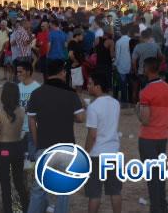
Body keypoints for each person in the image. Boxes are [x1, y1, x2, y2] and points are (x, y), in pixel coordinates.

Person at [26, 59, 85, 213]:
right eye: (64, 71)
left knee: (38, 188)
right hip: (65, 147)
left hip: (44, 145)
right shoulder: (70, 93)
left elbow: (31, 120)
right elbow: (80, 118)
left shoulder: (37, 93)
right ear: (61, 72)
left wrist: (37, 141)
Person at [137, 57, 168, 213]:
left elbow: (144, 120)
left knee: (152, 177)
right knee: (160, 175)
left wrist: (137, 110)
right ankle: (162, 206)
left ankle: (156, 208)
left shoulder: (146, 92)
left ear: (147, 69)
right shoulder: (167, 87)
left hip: (148, 137)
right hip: (163, 135)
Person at [84, 72, 122, 213]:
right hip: (113, 152)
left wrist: (85, 152)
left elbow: (92, 135)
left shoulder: (93, 107)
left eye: (90, 83)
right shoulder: (116, 103)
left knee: (94, 194)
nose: (88, 86)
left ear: (97, 86)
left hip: (97, 154)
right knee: (115, 191)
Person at [0, 82, 28, 213]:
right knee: (19, 181)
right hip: (18, 148)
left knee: (5, 183)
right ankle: (25, 207)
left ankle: (8, 209)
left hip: (4, 149)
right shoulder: (22, 111)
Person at [16, 60, 40, 161]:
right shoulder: (17, 87)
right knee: (19, 159)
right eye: (17, 72)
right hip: (19, 129)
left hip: (33, 130)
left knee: (33, 158)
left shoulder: (37, 88)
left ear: (29, 72)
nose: (18, 74)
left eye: (20, 72)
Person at [114, 26, 131, 105]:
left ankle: (124, 99)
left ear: (121, 32)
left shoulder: (119, 42)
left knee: (123, 83)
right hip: (130, 65)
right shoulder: (131, 40)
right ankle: (130, 99)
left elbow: (117, 55)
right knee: (130, 83)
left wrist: (115, 64)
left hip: (121, 65)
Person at [68, 29, 85, 93]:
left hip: (77, 66)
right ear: (77, 35)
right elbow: (70, 54)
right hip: (75, 67)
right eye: (82, 35)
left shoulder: (76, 43)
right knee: (77, 86)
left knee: (76, 85)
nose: (83, 37)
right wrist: (75, 61)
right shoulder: (73, 43)